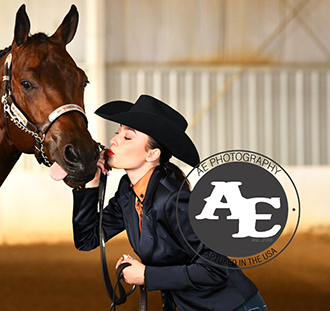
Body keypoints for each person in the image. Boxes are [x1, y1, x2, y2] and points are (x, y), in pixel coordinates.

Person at [72, 95, 267, 311]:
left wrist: (146, 275)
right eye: (118, 132)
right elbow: (87, 239)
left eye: (128, 137)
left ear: (152, 154)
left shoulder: (175, 200)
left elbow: (215, 269)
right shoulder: (128, 192)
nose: (114, 140)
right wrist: (91, 183)